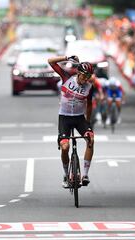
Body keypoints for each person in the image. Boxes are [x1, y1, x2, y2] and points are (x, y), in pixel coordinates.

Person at [48, 55, 95, 188]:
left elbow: (90, 104)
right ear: (78, 73)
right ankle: (65, 174)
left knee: (90, 139)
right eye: (84, 76)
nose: (86, 79)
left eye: (88, 77)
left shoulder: (89, 87)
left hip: (79, 117)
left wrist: (88, 122)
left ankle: (85, 174)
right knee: (65, 147)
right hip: (65, 117)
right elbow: (50, 61)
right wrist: (67, 57)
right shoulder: (67, 77)